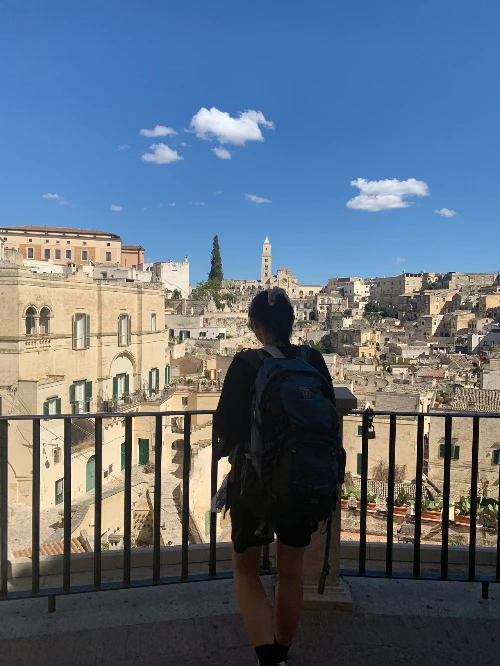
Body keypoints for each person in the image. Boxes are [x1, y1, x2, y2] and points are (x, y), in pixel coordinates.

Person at [214, 287, 334, 666]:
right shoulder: (313, 359)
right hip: (304, 484)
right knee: (292, 574)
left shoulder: (246, 364)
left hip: (255, 487)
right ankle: (281, 653)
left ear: (254, 324)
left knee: (246, 572)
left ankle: (269, 659)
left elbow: (225, 428)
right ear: (292, 323)